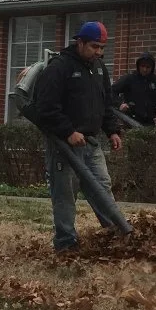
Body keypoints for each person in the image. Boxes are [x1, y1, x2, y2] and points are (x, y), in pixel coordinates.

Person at [34, 21, 123, 253]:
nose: (99, 52)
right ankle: (66, 244)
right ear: (80, 42)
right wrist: (68, 132)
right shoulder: (60, 67)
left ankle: (116, 234)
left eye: (102, 47)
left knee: (102, 187)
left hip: (91, 144)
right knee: (65, 193)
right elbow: (45, 108)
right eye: (95, 46)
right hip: (64, 145)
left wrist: (112, 130)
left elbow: (106, 104)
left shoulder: (99, 68)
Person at [112, 52, 156, 127]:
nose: (145, 69)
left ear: (152, 68)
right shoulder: (130, 79)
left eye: (148, 67)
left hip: (148, 122)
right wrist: (120, 103)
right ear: (138, 66)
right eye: (142, 66)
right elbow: (111, 91)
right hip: (130, 120)